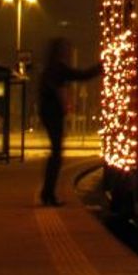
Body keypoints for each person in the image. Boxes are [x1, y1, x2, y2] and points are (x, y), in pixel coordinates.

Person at [38, 37, 101, 206]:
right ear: (60, 52)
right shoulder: (58, 68)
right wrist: (101, 67)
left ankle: (47, 193)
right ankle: (48, 194)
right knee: (56, 155)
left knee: (56, 154)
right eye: (65, 49)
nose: (67, 53)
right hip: (53, 115)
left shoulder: (50, 69)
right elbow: (81, 75)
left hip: (48, 114)